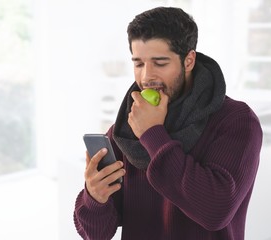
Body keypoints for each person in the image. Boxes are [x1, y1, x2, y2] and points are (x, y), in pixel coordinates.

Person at [73, 6, 262, 240]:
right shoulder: (125, 130)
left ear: (189, 60)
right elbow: (96, 233)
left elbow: (215, 211)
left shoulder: (236, 121)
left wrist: (153, 134)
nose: (146, 77)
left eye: (160, 63)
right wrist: (94, 198)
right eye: (139, 63)